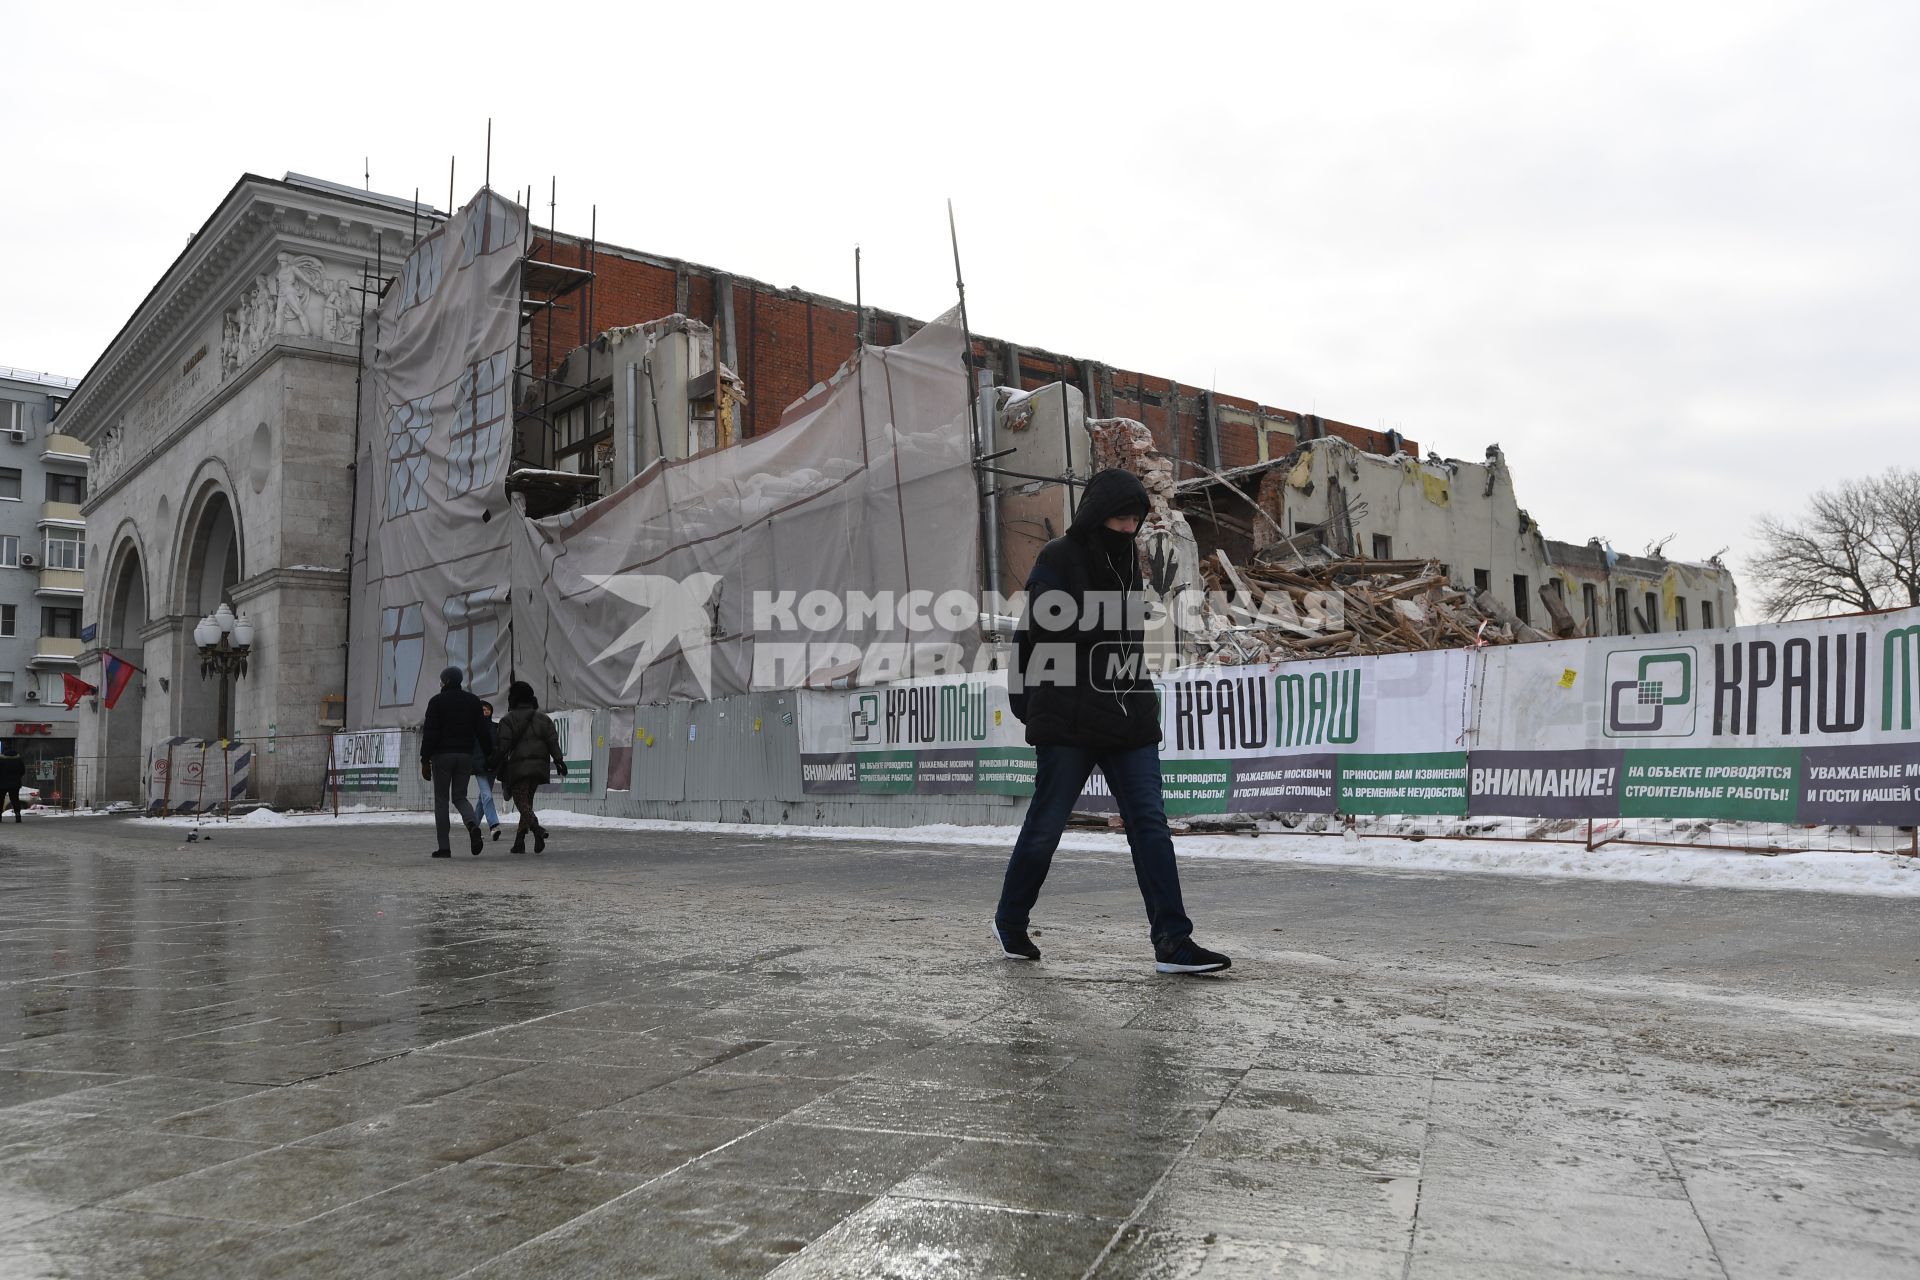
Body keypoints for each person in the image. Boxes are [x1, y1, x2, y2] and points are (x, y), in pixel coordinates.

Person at [996, 468, 1231, 975]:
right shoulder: (1057, 556)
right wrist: (1031, 701)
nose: (1128, 529)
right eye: (1121, 519)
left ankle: (1173, 941)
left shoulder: (1129, 561)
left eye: (1135, 520)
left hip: (1127, 713)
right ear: (1097, 514)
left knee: (1149, 825)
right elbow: (1037, 632)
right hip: (1069, 715)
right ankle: (1011, 919)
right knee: (1046, 824)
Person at [419, 666, 488, 857]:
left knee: (441, 800)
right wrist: (489, 755)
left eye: (442, 680)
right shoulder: (473, 701)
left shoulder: (436, 702)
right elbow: (482, 731)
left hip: (441, 756)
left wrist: (425, 759)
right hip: (465, 755)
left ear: (446, 681)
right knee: (460, 796)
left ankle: (444, 848)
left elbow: (430, 733)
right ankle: (472, 825)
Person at [492, 679, 567, 854]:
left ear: (513, 699)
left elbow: (503, 746)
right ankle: (519, 841)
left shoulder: (507, 720)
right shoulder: (544, 719)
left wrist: (492, 762)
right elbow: (553, 742)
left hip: (519, 767)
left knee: (521, 801)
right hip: (539, 766)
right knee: (528, 802)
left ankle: (537, 829)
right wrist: (558, 761)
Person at [471, 699, 504, 841]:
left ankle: (473, 827)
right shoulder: (473, 729)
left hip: (492, 768)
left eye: (487, 710)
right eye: (482, 710)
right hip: (479, 768)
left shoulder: (496, 727)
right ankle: (493, 826)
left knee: (482, 799)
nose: (485, 712)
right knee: (487, 796)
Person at [0, 742, 25, 822]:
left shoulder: (1, 759)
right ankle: (18, 815)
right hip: (15, 783)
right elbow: (22, 771)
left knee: (0, 800)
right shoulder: (18, 759)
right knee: (15, 799)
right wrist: (17, 777)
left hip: (2, 783)